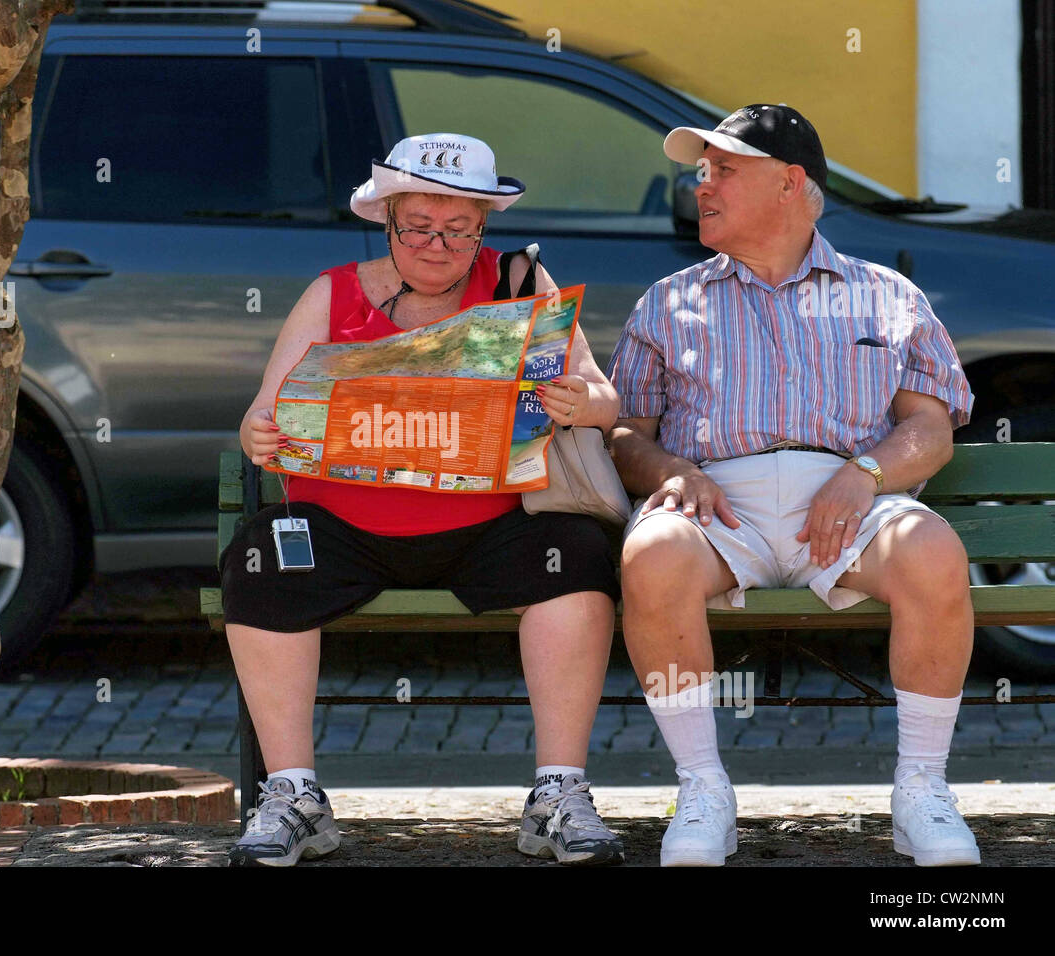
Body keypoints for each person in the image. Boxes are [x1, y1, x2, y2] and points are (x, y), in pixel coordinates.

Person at [221, 133, 624, 867]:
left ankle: (559, 793)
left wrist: (579, 401)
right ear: (388, 220)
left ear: (483, 228)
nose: (439, 244)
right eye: (420, 227)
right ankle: (293, 795)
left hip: (489, 526)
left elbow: (605, 399)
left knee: (581, 558)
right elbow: (265, 416)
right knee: (257, 558)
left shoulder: (519, 280)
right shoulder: (332, 293)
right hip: (344, 525)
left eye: (460, 228)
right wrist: (259, 434)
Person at [608, 105, 979, 867]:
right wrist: (670, 470)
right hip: (716, 506)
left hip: (851, 508)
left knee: (934, 549)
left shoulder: (886, 294)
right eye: (700, 172)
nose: (701, 187)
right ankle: (703, 789)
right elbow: (624, 437)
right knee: (652, 555)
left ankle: (920, 792)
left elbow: (931, 431)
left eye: (723, 171)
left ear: (790, 182)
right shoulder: (670, 301)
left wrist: (864, 473)